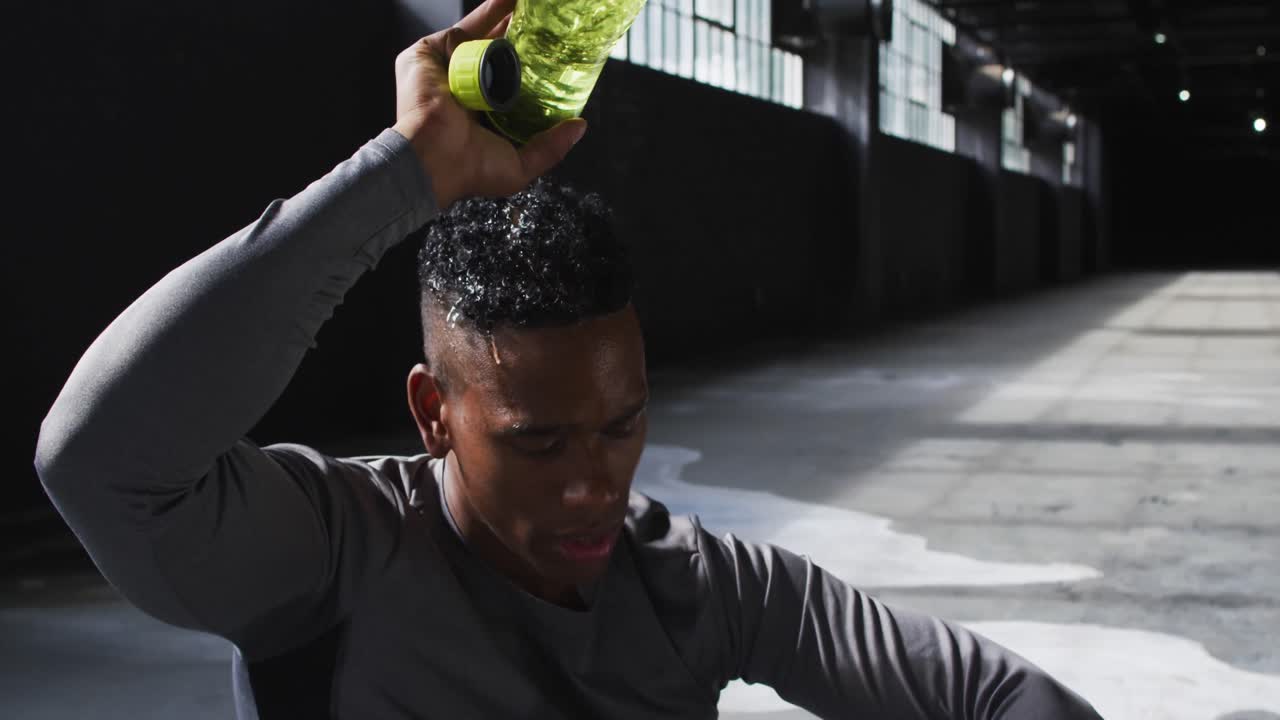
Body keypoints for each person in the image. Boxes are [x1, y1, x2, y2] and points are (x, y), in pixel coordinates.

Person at [34, 0, 1103, 717]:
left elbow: (1000, 698)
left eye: (621, 423)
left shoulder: (703, 588)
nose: (597, 485)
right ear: (431, 413)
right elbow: (104, 460)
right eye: (535, 440)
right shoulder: (330, 558)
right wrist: (401, 176)